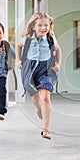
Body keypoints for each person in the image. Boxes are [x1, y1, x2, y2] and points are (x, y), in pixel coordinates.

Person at [16, 12, 61, 140]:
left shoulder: (51, 38)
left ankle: (45, 130)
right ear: (33, 27)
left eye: (46, 25)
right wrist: (19, 61)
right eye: (40, 25)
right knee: (36, 99)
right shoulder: (28, 38)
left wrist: (58, 64)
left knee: (45, 97)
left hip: (45, 69)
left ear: (50, 26)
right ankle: (39, 109)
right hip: (29, 69)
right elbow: (18, 46)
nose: (43, 28)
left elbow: (58, 49)